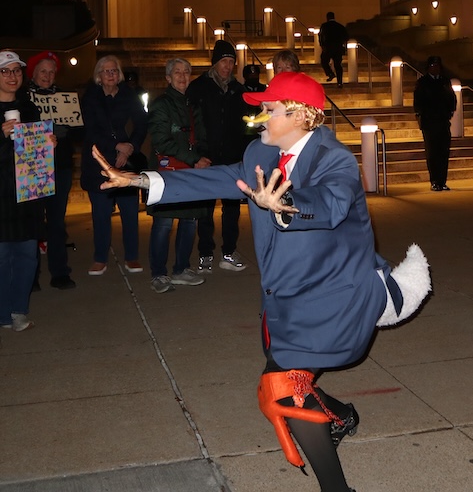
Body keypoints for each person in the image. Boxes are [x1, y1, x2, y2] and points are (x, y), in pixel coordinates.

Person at [91, 71, 431, 492]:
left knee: (285, 390)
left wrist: (284, 201)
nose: (260, 118)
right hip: (288, 297)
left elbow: (332, 203)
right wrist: (141, 179)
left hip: (335, 297)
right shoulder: (261, 153)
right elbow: (218, 178)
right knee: (288, 380)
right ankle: (340, 416)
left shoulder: (334, 159)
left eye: (269, 110)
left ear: (300, 114)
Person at [0, 50, 56, 331]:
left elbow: (36, 150)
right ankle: (2, 313)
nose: (13, 76)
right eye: (5, 71)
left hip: (27, 193)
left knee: (26, 255)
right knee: (2, 257)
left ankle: (19, 310)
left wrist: (48, 144)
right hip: (1, 196)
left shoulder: (29, 107)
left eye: (17, 71)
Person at [147, 58, 210, 293]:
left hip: (192, 172)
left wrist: (204, 156)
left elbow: (202, 136)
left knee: (189, 221)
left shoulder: (192, 104)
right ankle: (158, 274)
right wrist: (194, 158)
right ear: (168, 78)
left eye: (186, 72)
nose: (182, 76)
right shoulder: (161, 104)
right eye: (177, 72)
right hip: (168, 171)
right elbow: (161, 140)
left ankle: (182, 269)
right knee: (163, 223)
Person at [80, 55, 148, 275]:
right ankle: (100, 258)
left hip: (125, 158)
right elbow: (91, 130)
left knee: (129, 212)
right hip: (98, 159)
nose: (110, 74)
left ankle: (132, 257)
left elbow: (141, 123)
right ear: (98, 75)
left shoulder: (129, 95)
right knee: (100, 214)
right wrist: (116, 147)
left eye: (114, 70)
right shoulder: (89, 97)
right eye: (106, 71)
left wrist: (130, 146)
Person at [186, 39, 247, 273]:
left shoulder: (237, 90)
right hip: (206, 157)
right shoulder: (198, 87)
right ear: (215, 62)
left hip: (232, 158)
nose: (228, 65)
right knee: (206, 208)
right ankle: (205, 254)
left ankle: (229, 252)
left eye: (231, 61)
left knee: (232, 208)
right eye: (224, 60)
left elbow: (245, 126)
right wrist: (196, 153)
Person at [27, 50, 78, 290]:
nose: (47, 76)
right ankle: (31, 275)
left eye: (51, 72)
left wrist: (67, 131)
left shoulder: (65, 100)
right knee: (33, 222)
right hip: (33, 167)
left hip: (61, 166)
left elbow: (81, 131)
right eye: (43, 71)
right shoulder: (24, 100)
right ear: (34, 73)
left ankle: (59, 273)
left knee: (57, 222)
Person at [413, 56, 457, 191]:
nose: (435, 68)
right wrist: (422, 115)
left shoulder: (445, 81)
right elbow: (418, 102)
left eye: (437, 65)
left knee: (443, 152)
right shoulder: (423, 82)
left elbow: (452, 99)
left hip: (443, 121)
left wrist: (449, 112)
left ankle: (442, 181)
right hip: (430, 123)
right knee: (432, 153)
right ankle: (434, 180)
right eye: (432, 66)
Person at [318, 12, 348, 86]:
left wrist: (322, 45)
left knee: (324, 61)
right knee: (338, 65)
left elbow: (321, 37)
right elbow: (346, 37)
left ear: (327, 17)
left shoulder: (324, 26)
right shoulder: (340, 26)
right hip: (338, 48)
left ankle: (330, 73)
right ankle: (340, 82)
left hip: (328, 48)